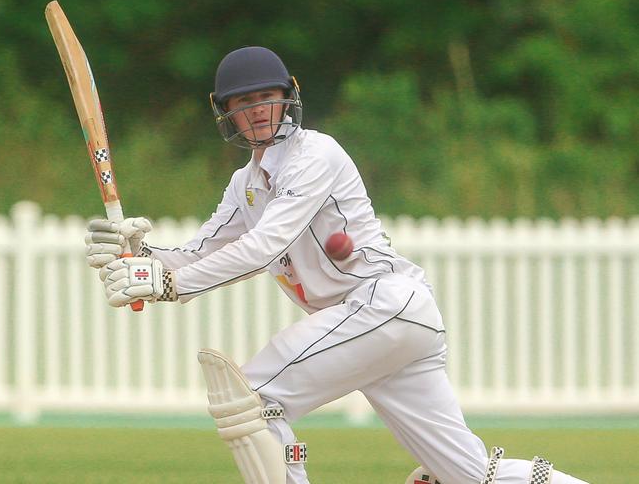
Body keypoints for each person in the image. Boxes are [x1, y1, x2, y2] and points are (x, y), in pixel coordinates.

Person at [85, 46, 589, 484]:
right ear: (227, 114)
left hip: (383, 307)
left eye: (266, 97)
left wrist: (163, 282)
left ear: (287, 97)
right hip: (384, 325)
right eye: (243, 102)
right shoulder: (246, 185)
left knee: (253, 398)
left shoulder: (315, 154)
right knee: (466, 474)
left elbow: (262, 248)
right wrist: (141, 257)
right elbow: (201, 254)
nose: (257, 110)